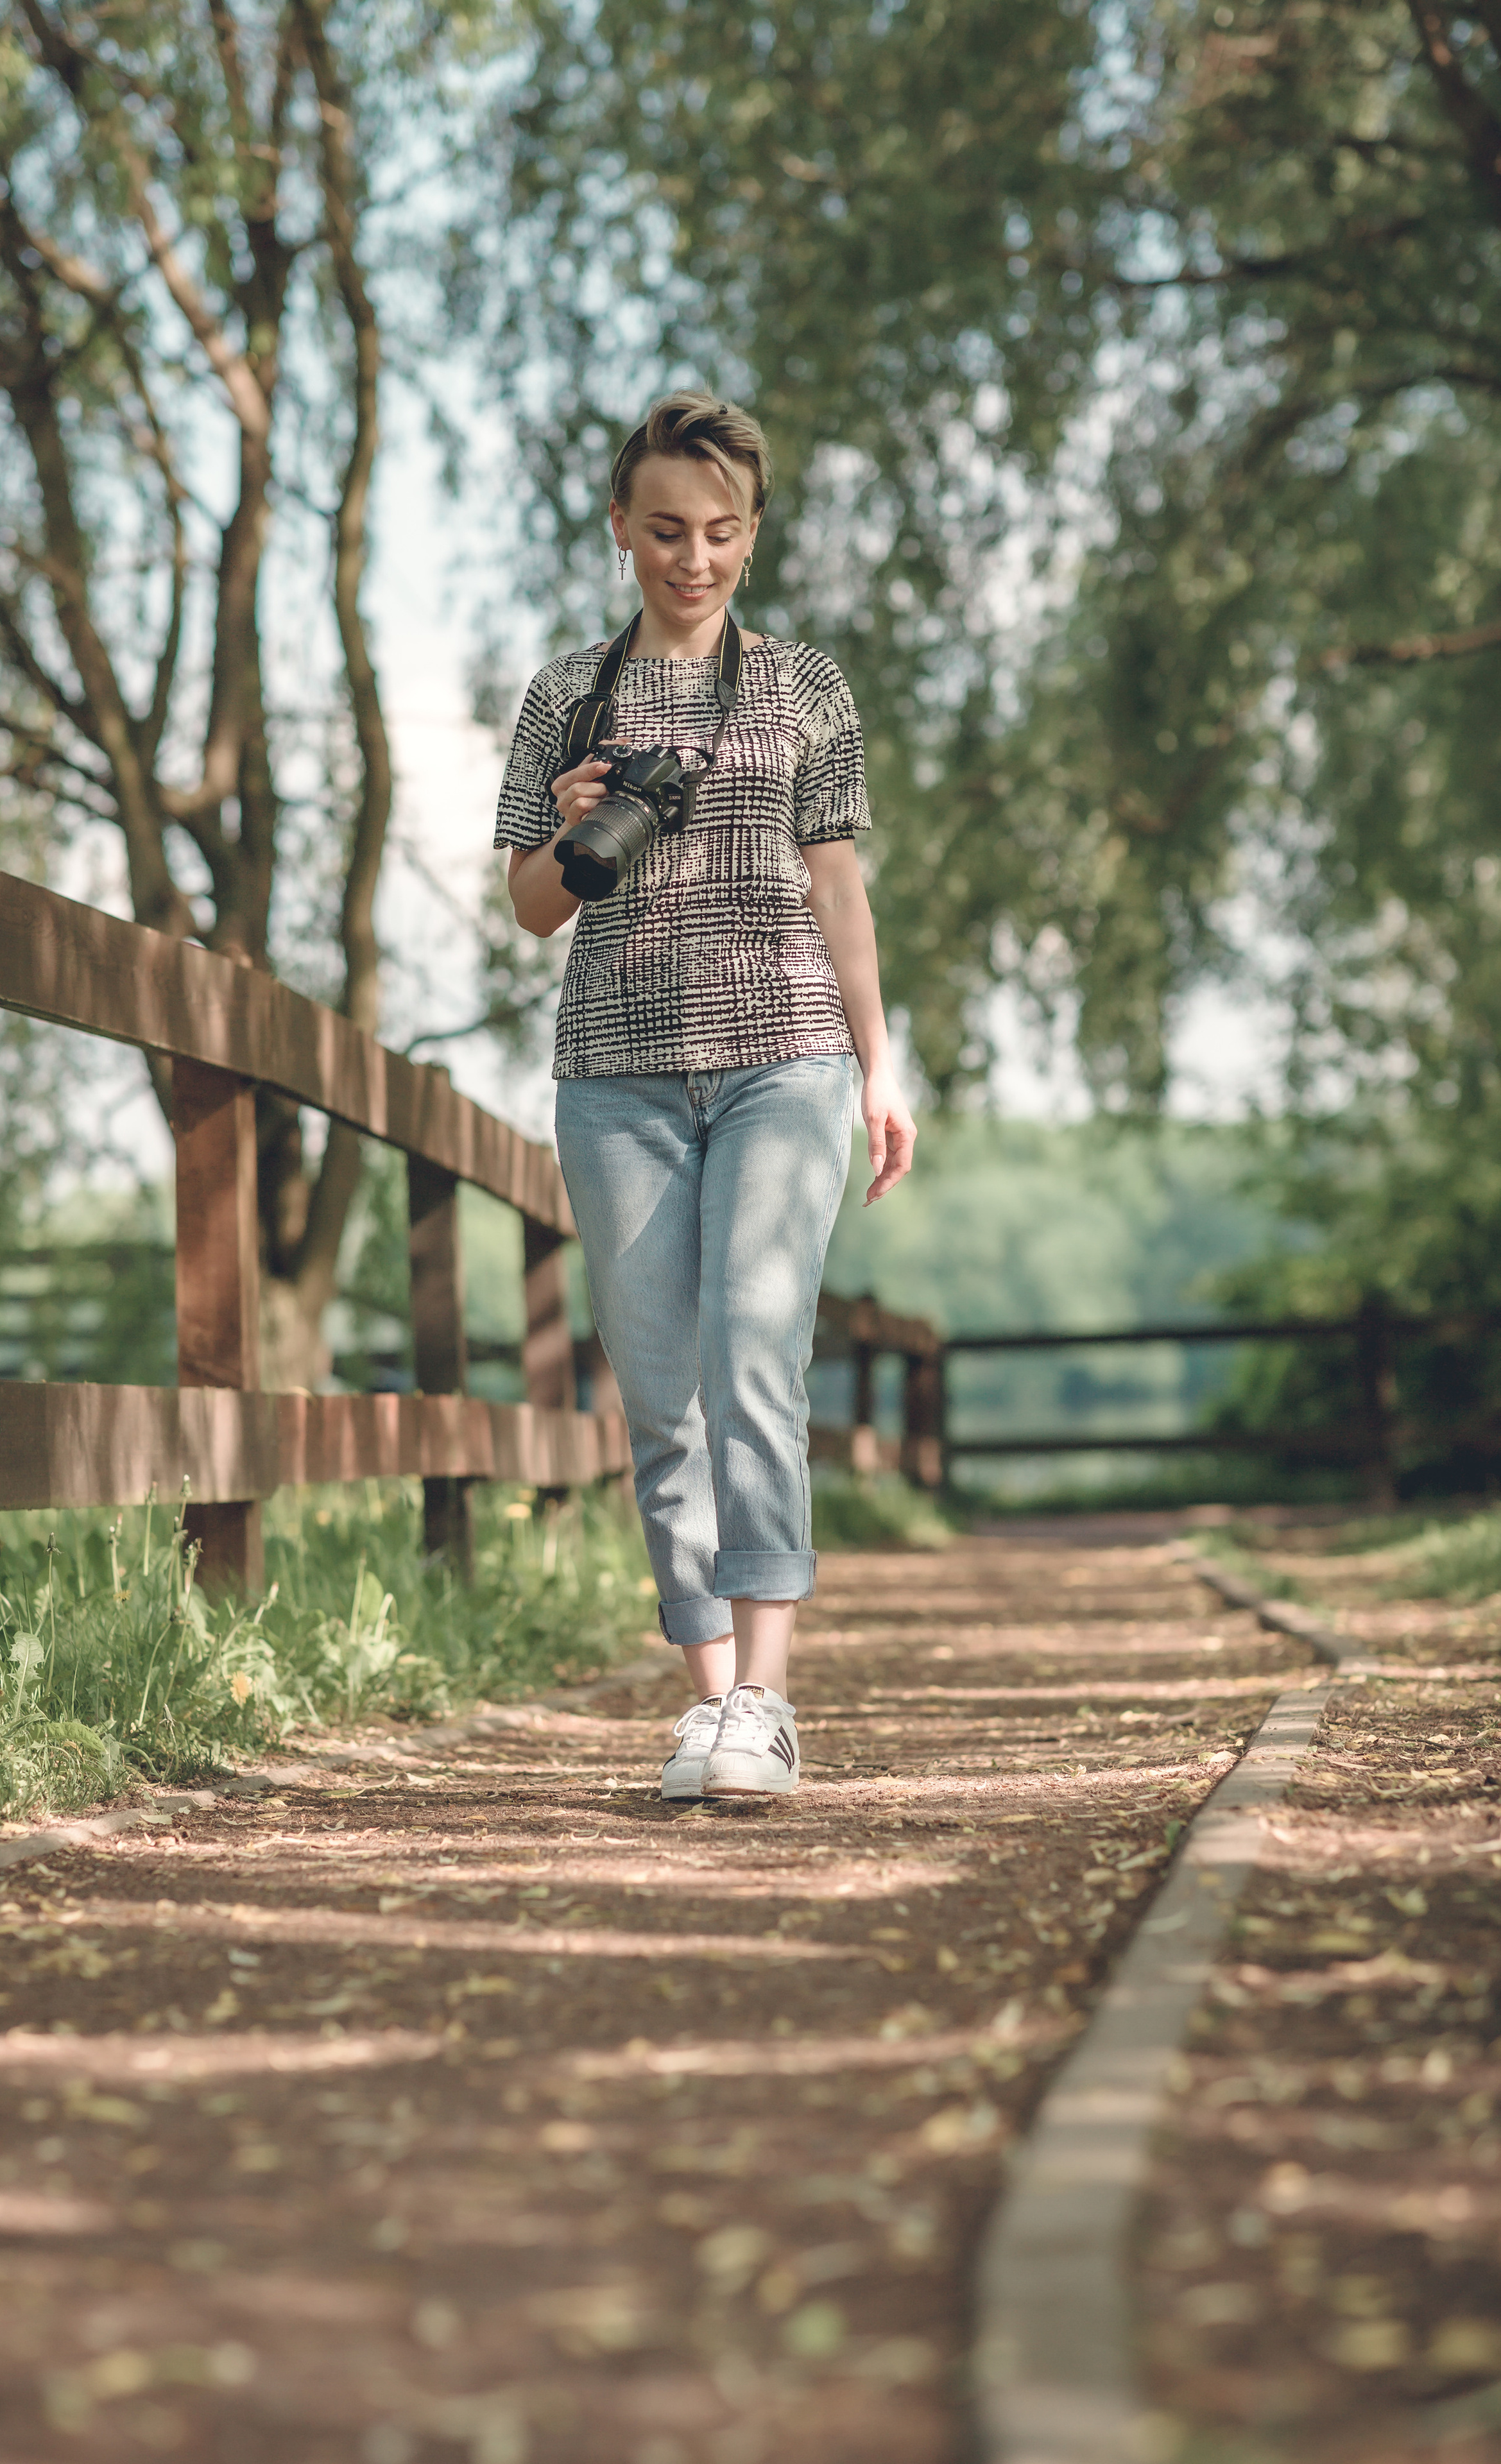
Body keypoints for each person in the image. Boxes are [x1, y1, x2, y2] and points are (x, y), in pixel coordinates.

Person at [495, 389, 915, 1802]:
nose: (695, 557)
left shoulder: (805, 687)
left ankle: (768, 1699)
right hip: (614, 1075)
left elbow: (838, 889)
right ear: (620, 527)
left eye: (723, 531)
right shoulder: (566, 694)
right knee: (659, 1387)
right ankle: (708, 1699)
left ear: (752, 532)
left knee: (753, 1355)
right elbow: (528, 909)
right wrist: (569, 827)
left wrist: (879, 1066)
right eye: (668, 529)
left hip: (784, 1060)